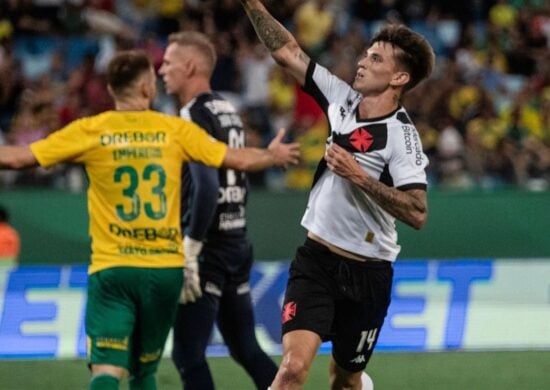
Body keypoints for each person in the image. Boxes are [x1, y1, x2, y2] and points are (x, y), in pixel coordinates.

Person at [0, 49, 299, 390]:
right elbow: (237, 160)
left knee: (107, 371)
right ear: (146, 88)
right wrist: (271, 155)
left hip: (114, 269)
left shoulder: (91, 130)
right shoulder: (172, 129)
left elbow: (20, 159)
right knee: (145, 371)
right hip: (164, 271)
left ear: (112, 89)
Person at [240, 1, 435, 389]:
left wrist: (359, 176)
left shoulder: (402, 135)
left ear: (399, 77)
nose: (362, 61)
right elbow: (287, 52)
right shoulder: (341, 99)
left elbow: (417, 212)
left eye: (376, 58)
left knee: (345, 381)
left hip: (368, 272)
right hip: (316, 261)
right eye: (366, 53)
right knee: (293, 369)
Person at [158, 31, 279, 389]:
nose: (161, 69)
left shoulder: (191, 114)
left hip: (207, 247)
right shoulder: (227, 109)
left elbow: (208, 186)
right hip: (236, 240)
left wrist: (191, 248)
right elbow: (236, 177)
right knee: (245, 348)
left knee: (187, 355)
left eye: (168, 62)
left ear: (190, 66)